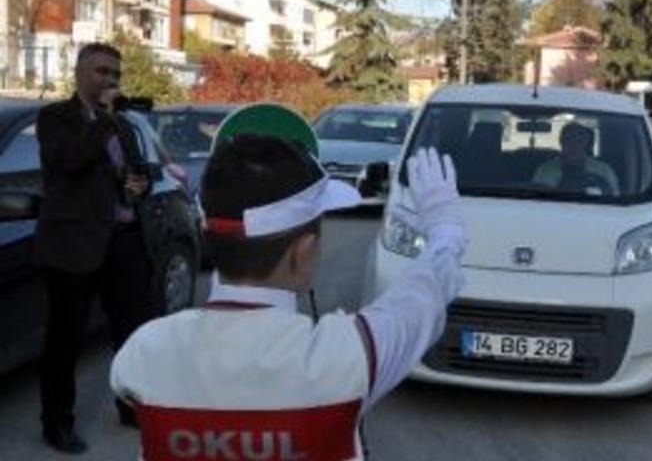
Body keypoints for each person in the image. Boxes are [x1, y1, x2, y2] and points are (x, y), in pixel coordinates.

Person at [109, 104, 467, 461]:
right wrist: (444, 227)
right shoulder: (350, 353)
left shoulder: (144, 351)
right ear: (303, 250)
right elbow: (426, 293)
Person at [35, 42, 156, 454]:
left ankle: (129, 408)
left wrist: (140, 183)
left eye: (115, 75)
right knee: (64, 341)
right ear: (80, 73)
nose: (110, 81)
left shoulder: (120, 125)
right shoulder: (55, 118)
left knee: (132, 334)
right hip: (73, 245)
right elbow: (70, 161)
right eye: (102, 72)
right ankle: (57, 424)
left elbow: (140, 172)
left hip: (123, 241)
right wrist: (105, 118)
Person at [532, 121, 620, 195]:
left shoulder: (604, 170)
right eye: (568, 140)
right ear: (561, 142)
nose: (574, 145)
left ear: (587, 144)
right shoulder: (545, 170)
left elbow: (615, 199)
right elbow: (536, 198)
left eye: (579, 141)